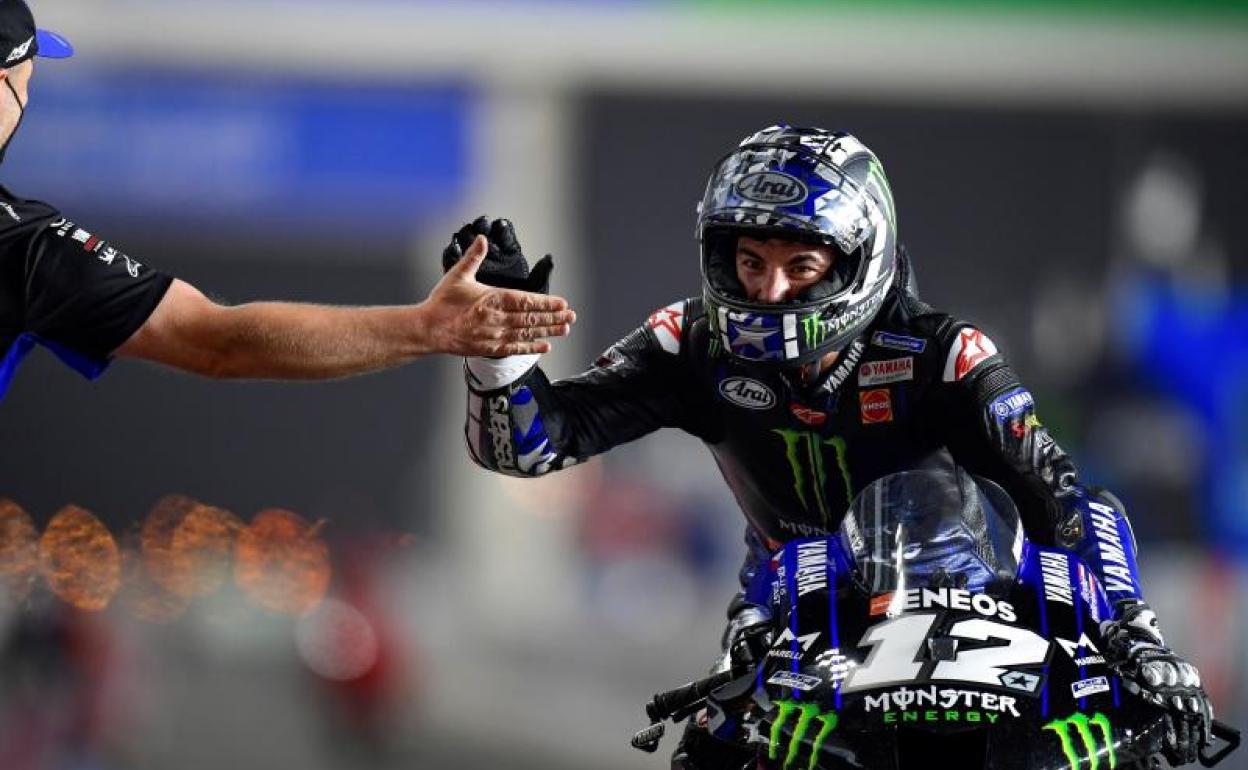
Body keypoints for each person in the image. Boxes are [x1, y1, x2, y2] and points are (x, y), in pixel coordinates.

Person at [444, 125, 1213, 767]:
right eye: (750, 262)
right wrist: (496, 349)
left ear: (859, 259)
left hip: (979, 619)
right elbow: (531, 449)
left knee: (1133, 743)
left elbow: (1067, 502)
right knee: (705, 752)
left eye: (799, 266)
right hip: (790, 620)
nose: (770, 292)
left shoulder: (944, 353)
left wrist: (1139, 640)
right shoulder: (692, 343)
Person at [0, 0, 574, 401]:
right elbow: (216, 340)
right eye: (27, 74)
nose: (31, 91)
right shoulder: (22, 247)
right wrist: (427, 327)